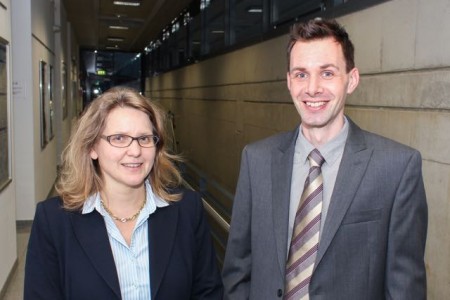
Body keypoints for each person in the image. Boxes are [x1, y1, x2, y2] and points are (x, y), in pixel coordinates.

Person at [222, 18, 427, 299]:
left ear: (351, 80)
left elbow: (405, 289)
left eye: (327, 73)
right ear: (289, 81)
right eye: (301, 74)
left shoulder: (396, 168)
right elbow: (237, 269)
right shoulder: (256, 160)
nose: (312, 88)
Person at [24, 87, 223, 299]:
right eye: (119, 138)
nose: (135, 151)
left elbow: (207, 292)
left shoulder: (187, 210)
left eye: (144, 138)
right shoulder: (54, 221)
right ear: (92, 147)